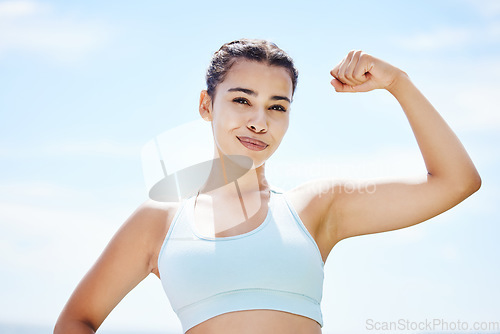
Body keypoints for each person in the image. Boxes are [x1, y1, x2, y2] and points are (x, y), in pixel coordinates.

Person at [54, 39, 481, 334]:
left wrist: (397, 83)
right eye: (242, 100)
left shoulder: (316, 208)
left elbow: (457, 182)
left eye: (277, 107)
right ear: (207, 105)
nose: (260, 121)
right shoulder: (161, 221)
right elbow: (76, 321)